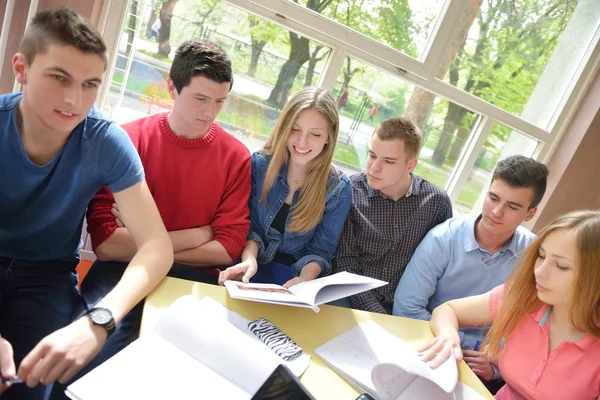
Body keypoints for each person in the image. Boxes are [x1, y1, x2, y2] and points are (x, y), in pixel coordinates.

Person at [53, 39, 251, 397]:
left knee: (184, 383)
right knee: (79, 367)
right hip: (120, 273)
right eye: (201, 99)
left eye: (220, 101)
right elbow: (109, 245)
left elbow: (227, 248)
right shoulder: (127, 140)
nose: (211, 112)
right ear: (172, 88)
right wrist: (194, 236)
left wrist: (145, 241)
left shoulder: (236, 156)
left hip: (194, 284)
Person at [0, 7, 173, 400]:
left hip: (45, 276)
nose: (74, 100)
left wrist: (100, 320)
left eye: (90, 83)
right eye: (59, 77)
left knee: (32, 386)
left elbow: (156, 247)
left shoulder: (106, 142)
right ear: (22, 69)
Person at [394, 155, 548, 387]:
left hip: (490, 369)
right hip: (430, 348)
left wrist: (496, 366)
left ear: (530, 213)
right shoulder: (443, 239)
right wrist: (461, 345)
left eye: (512, 206)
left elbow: (535, 329)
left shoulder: (536, 257)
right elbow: (406, 308)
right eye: (493, 198)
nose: (497, 211)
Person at [419, 210, 600, 400]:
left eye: (561, 266)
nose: (539, 271)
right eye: (541, 255)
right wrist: (448, 337)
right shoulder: (523, 298)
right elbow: (448, 310)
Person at [218, 87, 352, 288]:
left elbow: (320, 252)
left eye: (315, 134)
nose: (302, 141)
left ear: (328, 138)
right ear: (284, 127)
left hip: (294, 277)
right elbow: (250, 228)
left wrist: (304, 281)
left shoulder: (338, 188)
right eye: (295, 129)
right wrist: (248, 260)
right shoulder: (260, 165)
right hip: (248, 263)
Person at [332, 117, 452, 314]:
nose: (374, 167)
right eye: (372, 155)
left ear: (410, 164)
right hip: (349, 299)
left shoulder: (437, 203)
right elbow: (344, 265)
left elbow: (439, 267)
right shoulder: (349, 191)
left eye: (388, 161)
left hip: (407, 307)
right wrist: (380, 316)